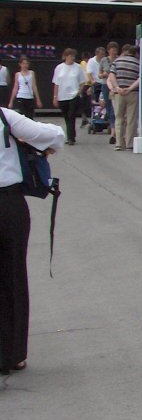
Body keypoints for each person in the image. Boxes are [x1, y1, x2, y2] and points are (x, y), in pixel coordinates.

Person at [0, 105, 63, 374]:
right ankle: (12, 352)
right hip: (7, 203)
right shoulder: (4, 116)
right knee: (12, 274)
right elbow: (54, 136)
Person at [108, 44, 142, 151]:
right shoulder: (138, 63)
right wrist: (130, 88)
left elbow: (112, 75)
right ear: (135, 53)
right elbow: (140, 78)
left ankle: (118, 143)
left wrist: (117, 87)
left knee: (119, 118)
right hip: (132, 93)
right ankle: (129, 143)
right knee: (131, 119)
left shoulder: (117, 61)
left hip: (119, 93)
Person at [51, 48, 87, 145]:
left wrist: (79, 92)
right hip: (62, 95)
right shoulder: (59, 68)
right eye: (70, 56)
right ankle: (71, 134)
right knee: (66, 116)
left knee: (71, 115)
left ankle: (71, 138)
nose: (72, 58)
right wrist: (55, 96)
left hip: (74, 95)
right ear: (66, 56)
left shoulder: (78, 67)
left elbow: (83, 81)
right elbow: (56, 83)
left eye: (74, 56)